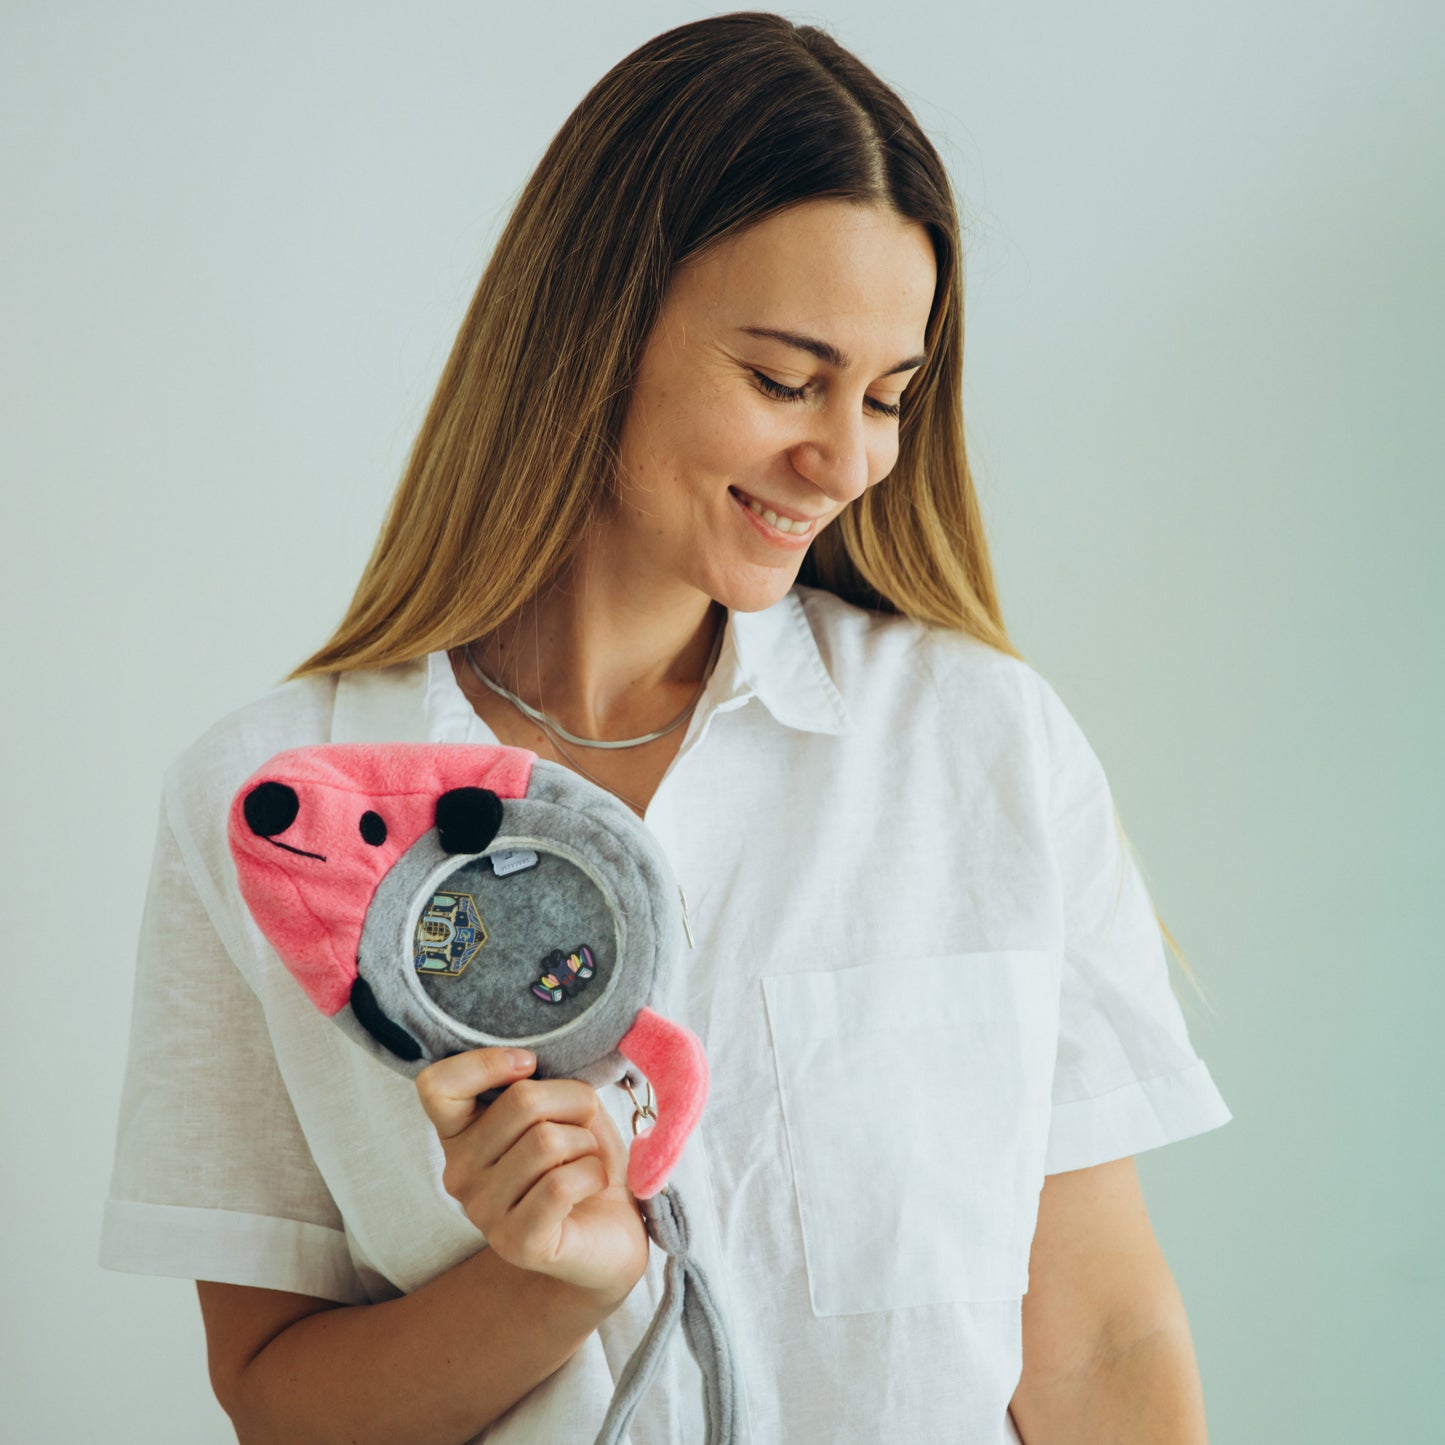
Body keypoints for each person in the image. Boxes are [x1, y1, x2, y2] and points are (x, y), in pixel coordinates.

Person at [100, 13, 1233, 1444]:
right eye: (782, 379)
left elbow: (1100, 1344)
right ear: (597, 326)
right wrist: (552, 1281)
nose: (846, 459)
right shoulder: (273, 810)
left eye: (887, 396)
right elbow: (276, 1397)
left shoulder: (979, 745)